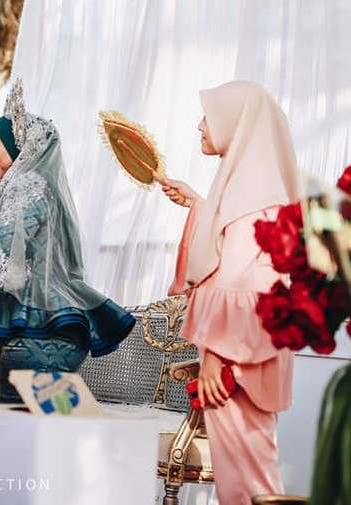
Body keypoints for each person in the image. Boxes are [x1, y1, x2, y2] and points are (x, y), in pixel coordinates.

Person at [160, 80, 298, 504]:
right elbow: (231, 254)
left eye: (208, 116)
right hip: (238, 357)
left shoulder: (254, 196)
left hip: (236, 361)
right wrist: (197, 204)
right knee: (243, 477)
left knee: (248, 482)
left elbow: (246, 284)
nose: (200, 125)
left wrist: (216, 357)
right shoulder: (252, 189)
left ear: (235, 123)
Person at [0, 79, 136, 402]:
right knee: (46, 419)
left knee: (38, 419)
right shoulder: (38, 185)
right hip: (52, 328)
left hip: (41, 329)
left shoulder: (27, 185)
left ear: (18, 146)